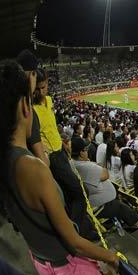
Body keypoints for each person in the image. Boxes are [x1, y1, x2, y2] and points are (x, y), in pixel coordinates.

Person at [0, 59, 118, 275]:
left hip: (41, 262)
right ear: (25, 108)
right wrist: (110, 257)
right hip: (67, 267)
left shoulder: (0, 159)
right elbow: (75, 242)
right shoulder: (33, 168)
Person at [32, 69, 96, 240]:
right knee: (79, 191)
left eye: (44, 87)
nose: (41, 91)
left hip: (60, 151)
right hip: (50, 157)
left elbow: (51, 128)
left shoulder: (48, 101)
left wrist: (63, 145)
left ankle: (81, 228)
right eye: (38, 88)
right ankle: (75, 233)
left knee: (71, 193)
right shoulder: (31, 110)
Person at [71, 136, 138, 229]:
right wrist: (96, 166)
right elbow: (105, 174)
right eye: (85, 150)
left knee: (120, 204)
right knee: (120, 206)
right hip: (99, 207)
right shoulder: (86, 166)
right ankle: (137, 223)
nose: (87, 152)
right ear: (81, 153)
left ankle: (129, 220)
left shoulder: (73, 163)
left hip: (98, 200)